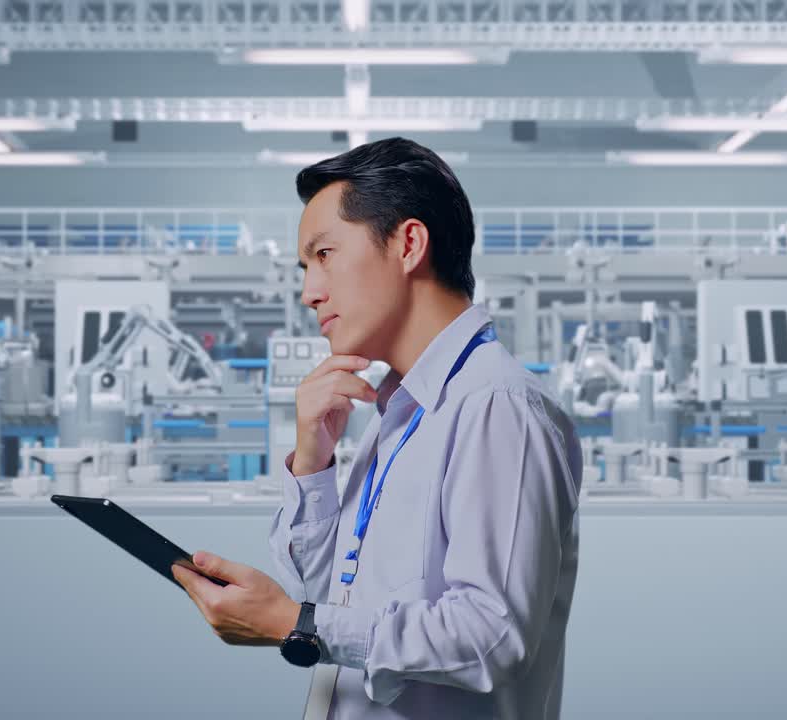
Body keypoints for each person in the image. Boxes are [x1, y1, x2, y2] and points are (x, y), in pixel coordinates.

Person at [172, 137, 582, 719]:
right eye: (305, 267)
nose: (310, 292)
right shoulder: (401, 407)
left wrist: (296, 624)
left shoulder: (494, 404)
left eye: (324, 254)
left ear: (408, 243)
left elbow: (491, 636)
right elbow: (334, 600)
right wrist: (313, 462)